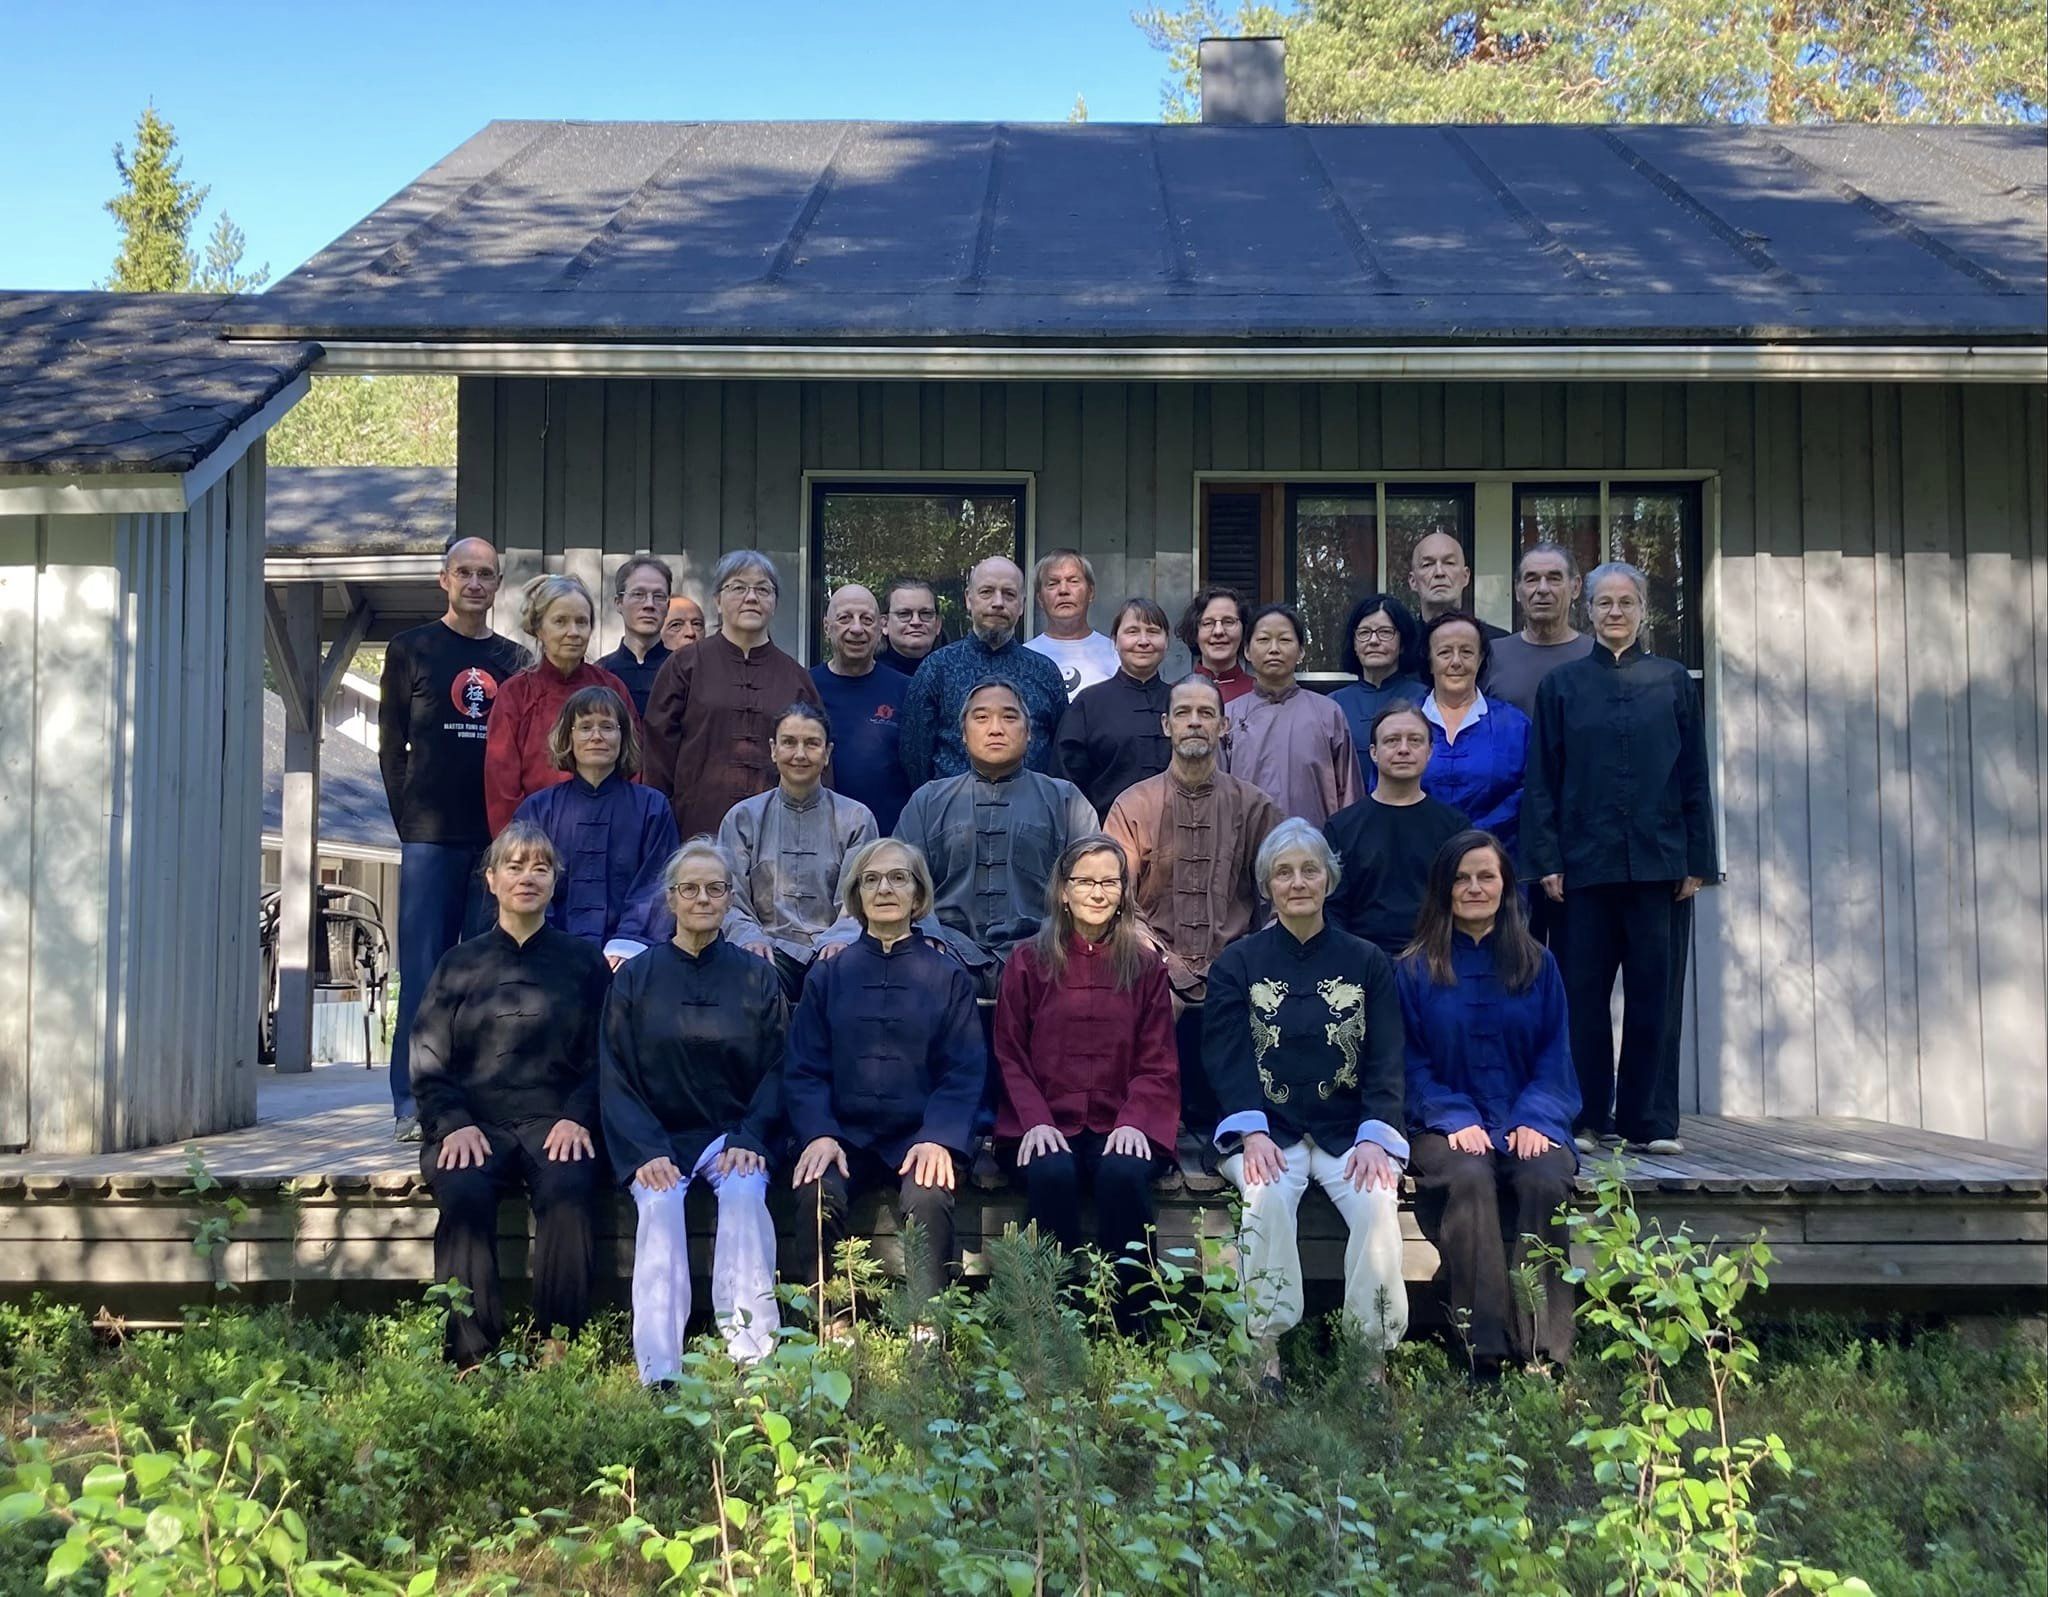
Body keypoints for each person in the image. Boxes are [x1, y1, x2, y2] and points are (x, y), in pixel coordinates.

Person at [1203, 819, 1409, 1387]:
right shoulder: (1238, 963)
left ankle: (1369, 1359)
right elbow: (1227, 1055)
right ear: (1267, 886)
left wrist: (1374, 1134)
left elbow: (1387, 1055)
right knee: (1265, 1196)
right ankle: (1262, 1352)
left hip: (1349, 1131)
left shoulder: (1368, 962)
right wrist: (1252, 1132)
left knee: (1377, 1201)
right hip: (1268, 1130)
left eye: (1309, 870)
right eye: (1283, 872)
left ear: (1329, 879)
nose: (1298, 882)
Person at [1524, 561, 1717, 1157]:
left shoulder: (1672, 681)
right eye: (1604, 604)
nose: (1614, 613)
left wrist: (1698, 859)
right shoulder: (1562, 687)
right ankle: (1586, 1115)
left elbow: (1694, 775)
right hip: (1581, 869)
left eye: (1625, 603)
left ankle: (1650, 1119)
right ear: (1589, 610)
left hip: (1661, 865)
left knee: (1655, 993)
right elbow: (1542, 780)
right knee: (1581, 995)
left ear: (1642, 610)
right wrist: (1547, 859)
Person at [409, 821, 611, 1365]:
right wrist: (452, 1123)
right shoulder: (458, 964)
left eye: (540, 867)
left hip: (556, 1122)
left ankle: (557, 1343)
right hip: (476, 1121)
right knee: (463, 1190)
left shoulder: (584, 963)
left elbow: (606, 1055)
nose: (528, 877)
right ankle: (471, 1357)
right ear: (492, 879)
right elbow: (427, 1056)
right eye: (515, 867)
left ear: (554, 882)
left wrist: (578, 1118)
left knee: (570, 1188)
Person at [600, 837, 787, 1379]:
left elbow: (779, 1067)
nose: (702, 898)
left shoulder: (756, 977)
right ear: (670, 899)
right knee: (658, 1207)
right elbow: (614, 1071)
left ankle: (753, 1360)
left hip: (730, 1135)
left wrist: (752, 1137)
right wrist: (645, 1149)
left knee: (748, 1194)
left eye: (715, 888)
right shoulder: (635, 978)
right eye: (690, 889)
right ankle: (661, 1372)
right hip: (657, 1136)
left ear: (730, 898)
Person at [1398, 830, 1580, 1377]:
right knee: (1470, 1180)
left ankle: (1545, 1351)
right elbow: (1407, 1062)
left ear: (1506, 886)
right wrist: (1452, 1116)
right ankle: (1487, 1350)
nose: (1474, 887)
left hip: (1526, 1118)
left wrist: (1535, 1118)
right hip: (1442, 1124)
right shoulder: (1413, 969)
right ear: (1443, 888)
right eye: (1462, 877)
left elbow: (1556, 1055)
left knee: (1545, 1179)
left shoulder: (1538, 965)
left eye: (1487, 876)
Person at [786, 838, 989, 1315]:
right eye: (871, 879)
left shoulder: (947, 977)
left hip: (918, 1135)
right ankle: (831, 1323)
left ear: (918, 896)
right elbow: (803, 1067)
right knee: (816, 1192)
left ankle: (925, 1326)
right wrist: (818, 1133)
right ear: (856, 895)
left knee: (930, 1196)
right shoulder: (828, 977)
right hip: (843, 1135)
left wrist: (939, 1138)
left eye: (898, 878)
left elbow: (964, 1070)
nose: (884, 889)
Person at [377, 534, 530, 1141]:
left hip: (495, 843)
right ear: (444, 579)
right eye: (463, 572)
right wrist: (409, 822)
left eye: (485, 574)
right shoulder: (410, 648)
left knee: (485, 974)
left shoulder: (513, 660)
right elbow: (391, 749)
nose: (474, 583)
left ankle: (474, 1101)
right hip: (431, 839)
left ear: (497, 585)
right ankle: (411, 1105)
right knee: (422, 972)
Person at [993, 835, 1178, 1326]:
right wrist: (1033, 1120)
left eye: (1109, 882)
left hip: (1121, 1121)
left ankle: (1132, 1324)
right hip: (1046, 1121)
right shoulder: (1028, 962)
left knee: (1123, 1173)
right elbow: (1009, 1052)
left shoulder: (1143, 966)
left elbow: (1157, 1058)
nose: (1097, 892)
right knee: (1051, 1172)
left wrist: (1136, 1121)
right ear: (1063, 892)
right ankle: (1052, 1323)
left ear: (1123, 893)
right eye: (1085, 881)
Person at [1102, 676, 1281, 1136]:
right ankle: (1143, 1131)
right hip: (1153, 964)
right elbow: (1113, 896)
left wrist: (1258, 953)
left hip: (1237, 966)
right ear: (1166, 725)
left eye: (1206, 714)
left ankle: (1247, 1133)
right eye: (1184, 713)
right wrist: (1161, 959)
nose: (1195, 723)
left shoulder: (1254, 805)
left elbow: (1284, 892)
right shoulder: (1134, 805)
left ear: (1223, 726)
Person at [894, 679, 1099, 981]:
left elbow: (1094, 885)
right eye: (981, 718)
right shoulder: (928, 801)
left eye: (1009, 717)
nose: (995, 728)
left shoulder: (1065, 800)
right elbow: (899, 883)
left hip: (1045, 957)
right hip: (944, 954)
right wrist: (928, 936)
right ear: (963, 735)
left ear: (1029, 734)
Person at [644, 550, 820, 841]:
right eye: (738, 587)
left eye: (763, 589)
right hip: (696, 830)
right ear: (717, 600)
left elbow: (817, 761)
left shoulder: (796, 677)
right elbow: (657, 755)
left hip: (778, 835)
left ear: (774, 603)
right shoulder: (684, 665)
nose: (751, 597)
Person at [719, 704, 878, 998]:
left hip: (833, 949)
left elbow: (860, 900)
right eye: (789, 742)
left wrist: (842, 938)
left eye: (812, 744)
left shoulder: (856, 819)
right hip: (766, 947)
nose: (800, 754)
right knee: (753, 980)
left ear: (827, 753)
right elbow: (730, 897)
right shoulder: (743, 818)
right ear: (773, 749)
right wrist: (749, 938)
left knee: (840, 979)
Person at [513, 686, 679, 965]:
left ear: (623, 737)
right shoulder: (538, 810)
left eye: (607, 727)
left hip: (629, 959)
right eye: (585, 727)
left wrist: (626, 946)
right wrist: (550, 944)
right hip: (548, 959)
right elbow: (524, 884)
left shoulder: (652, 807)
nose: (596, 737)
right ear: (569, 737)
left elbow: (657, 886)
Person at [484, 573, 637, 836]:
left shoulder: (611, 688)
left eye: (582, 622)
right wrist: (517, 847)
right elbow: (501, 783)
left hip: (608, 832)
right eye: (560, 622)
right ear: (539, 629)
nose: (573, 632)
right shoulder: (516, 693)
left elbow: (633, 765)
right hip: (537, 837)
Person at [898, 556, 1068, 784]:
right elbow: (914, 756)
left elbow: (1062, 754)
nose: (998, 602)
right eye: (987, 592)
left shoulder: (1045, 671)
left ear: (1021, 605)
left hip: (1032, 812)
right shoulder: (937, 668)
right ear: (969, 599)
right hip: (953, 811)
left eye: (1009, 594)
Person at [1325, 704, 1471, 956]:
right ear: (1373, 752)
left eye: (1415, 740)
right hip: (1362, 965)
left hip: (1437, 962)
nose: (1404, 749)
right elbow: (1332, 909)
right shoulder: (1341, 828)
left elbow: (1462, 901)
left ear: (1430, 751)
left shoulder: (1455, 828)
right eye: (1392, 741)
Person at [1223, 603, 1361, 828]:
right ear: (1247, 651)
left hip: (1314, 848)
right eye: (1264, 639)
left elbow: (1349, 794)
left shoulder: (1328, 713)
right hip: (1247, 850)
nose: (1274, 649)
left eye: (1285, 640)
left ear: (1301, 651)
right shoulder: (1229, 716)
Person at [1411, 613, 1530, 864]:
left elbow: (1530, 792)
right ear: (1430, 661)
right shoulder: (1404, 723)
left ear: (1481, 658)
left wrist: (1472, 836)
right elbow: (1384, 790)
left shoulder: (1514, 725)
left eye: (1466, 652)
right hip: (1417, 865)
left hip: (1495, 866)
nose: (1456, 662)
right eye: (1444, 653)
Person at [1053, 597, 1173, 815]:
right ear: (1115, 641)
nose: (1143, 641)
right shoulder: (1089, 703)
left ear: (1167, 641)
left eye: (1153, 632)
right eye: (1132, 631)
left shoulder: (1181, 702)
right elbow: (1067, 782)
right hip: (1105, 836)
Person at [811, 583, 913, 833]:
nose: (856, 628)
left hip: (889, 838)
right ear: (827, 627)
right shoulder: (805, 686)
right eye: (845, 618)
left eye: (866, 619)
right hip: (821, 835)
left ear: (880, 628)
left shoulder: (906, 690)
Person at [1328, 593, 1427, 787]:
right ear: (1354, 643)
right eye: (1364, 632)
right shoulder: (1333, 705)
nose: (1373, 641)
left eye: (1385, 632)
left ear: (1403, 643)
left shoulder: (1425, 699)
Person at [1487, 543, 1593, 720]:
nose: (1542, 589)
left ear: (1575, 588)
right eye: (1532, 579)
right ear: (1517, 591)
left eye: (1554, 578)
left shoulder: (1597, 655)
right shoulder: (1490, 656)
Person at [1025, 548, 1120, 696]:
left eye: (1073, 581)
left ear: (1091, 592)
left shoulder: (1117, 654)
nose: (1063, 590)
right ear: (1040, 599)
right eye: (1052, 584)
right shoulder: (1025, 657)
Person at [598, 555, 674, 717]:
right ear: (619, 603)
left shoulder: (684, 672)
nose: (649, 605)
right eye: (638, 594)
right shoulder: (600, 673)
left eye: (659, 596)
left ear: (668, 607)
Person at [1408, 531, 1507, 642]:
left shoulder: (1497, 643)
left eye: (1449, 563)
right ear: (1413, 581)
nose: (1439, 572)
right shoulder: (1402, 645)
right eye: (1427, 564)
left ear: (1465, 576)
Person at [1178, 585, 1255, 704]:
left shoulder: (1261, 695)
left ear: (1244, 629)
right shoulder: (1174, 694)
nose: (1218, 631)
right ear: (1194, 631)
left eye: (1228, 622)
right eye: (1208, 623)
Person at [876, 577, 944, 675]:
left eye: (925, 613)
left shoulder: (956, 673)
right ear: (884, 624)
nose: (916, 622)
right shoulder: (866, 675)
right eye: (904, 614)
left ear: (938, 624)